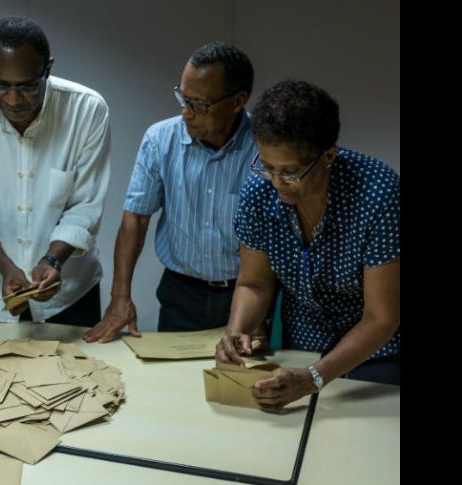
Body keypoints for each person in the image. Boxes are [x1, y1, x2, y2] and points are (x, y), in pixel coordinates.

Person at [215, 79, 400, 412]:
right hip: (302, 343)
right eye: (267, 167)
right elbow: (254, 283)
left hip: (376, 353)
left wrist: (315, 377)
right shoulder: (259, 193)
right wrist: (236, 331)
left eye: (290, 172)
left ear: (328, 156)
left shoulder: (378, 195)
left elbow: (381, 317)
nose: (276, 182)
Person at [0, 16, 110, 325]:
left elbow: (85, 204)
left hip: (71, 294)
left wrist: (53, 259)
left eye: (27, 86)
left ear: (48, 68)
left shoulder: (87, 110)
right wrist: (6, 268)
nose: (13, 99)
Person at [84, 42, 256, 343]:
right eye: (183, 98)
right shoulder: (160, 139)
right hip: (181, 293)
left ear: (238, 100)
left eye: (199, 105)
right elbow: (135, 220)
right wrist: (120, 297)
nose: (186, 113)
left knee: (238, 384)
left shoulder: (265, 147)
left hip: (250, 292)